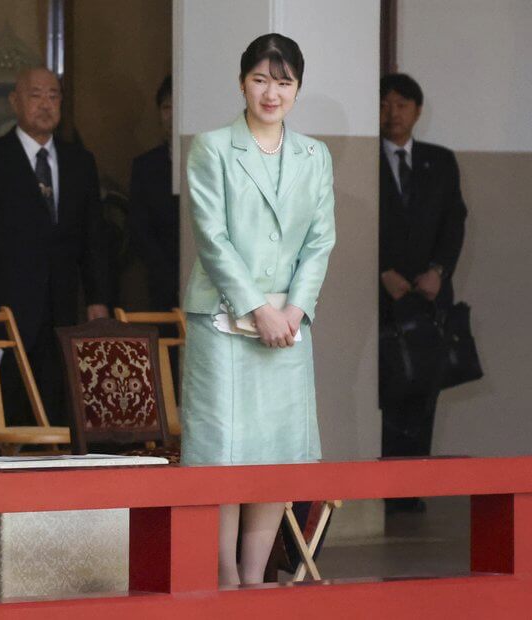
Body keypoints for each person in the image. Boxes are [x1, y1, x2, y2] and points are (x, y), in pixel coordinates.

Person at [181, 33, 335, 585]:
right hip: (224, 321)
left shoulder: (315, 155)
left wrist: (294, 310)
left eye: (284, 82)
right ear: (242, 81)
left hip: (289, 326)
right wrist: (257, 308)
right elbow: (212, 238)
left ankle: (254, 581)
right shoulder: (212, 147)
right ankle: (221, 578)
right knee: (223, 450)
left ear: (298, 89)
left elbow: (320, 242)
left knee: (277, 452)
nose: (272, 93)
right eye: (261, 79)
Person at [0, 67, 111, 426]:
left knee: (58, 407)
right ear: (15, 102)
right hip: (1, 308)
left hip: (62, 308)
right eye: (36, 95)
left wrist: (98, 300)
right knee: (2, 408)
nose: (45, 104)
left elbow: (93, 239)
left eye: (53, 96)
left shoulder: (79, 162)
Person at [378, 73, 467, 512]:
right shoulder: (365, 160)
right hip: (383, 298)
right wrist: (380, 272)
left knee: (425, 391)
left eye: (402, 105)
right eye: (385, 104)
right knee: (388, 389)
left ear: (417, 110)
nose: (393, 113)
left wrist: (439, 271)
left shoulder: (440, 160)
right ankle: (386, 490)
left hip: (429, 297)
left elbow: (454, 222)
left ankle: (411, 490)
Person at [129, 75, 180, 311]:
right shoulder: (145, 166)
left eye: (177, 107)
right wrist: (164, 271)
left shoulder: (213, 160)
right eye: (166, 107)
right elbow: (139, 228)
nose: (171, 115)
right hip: (162, 283)